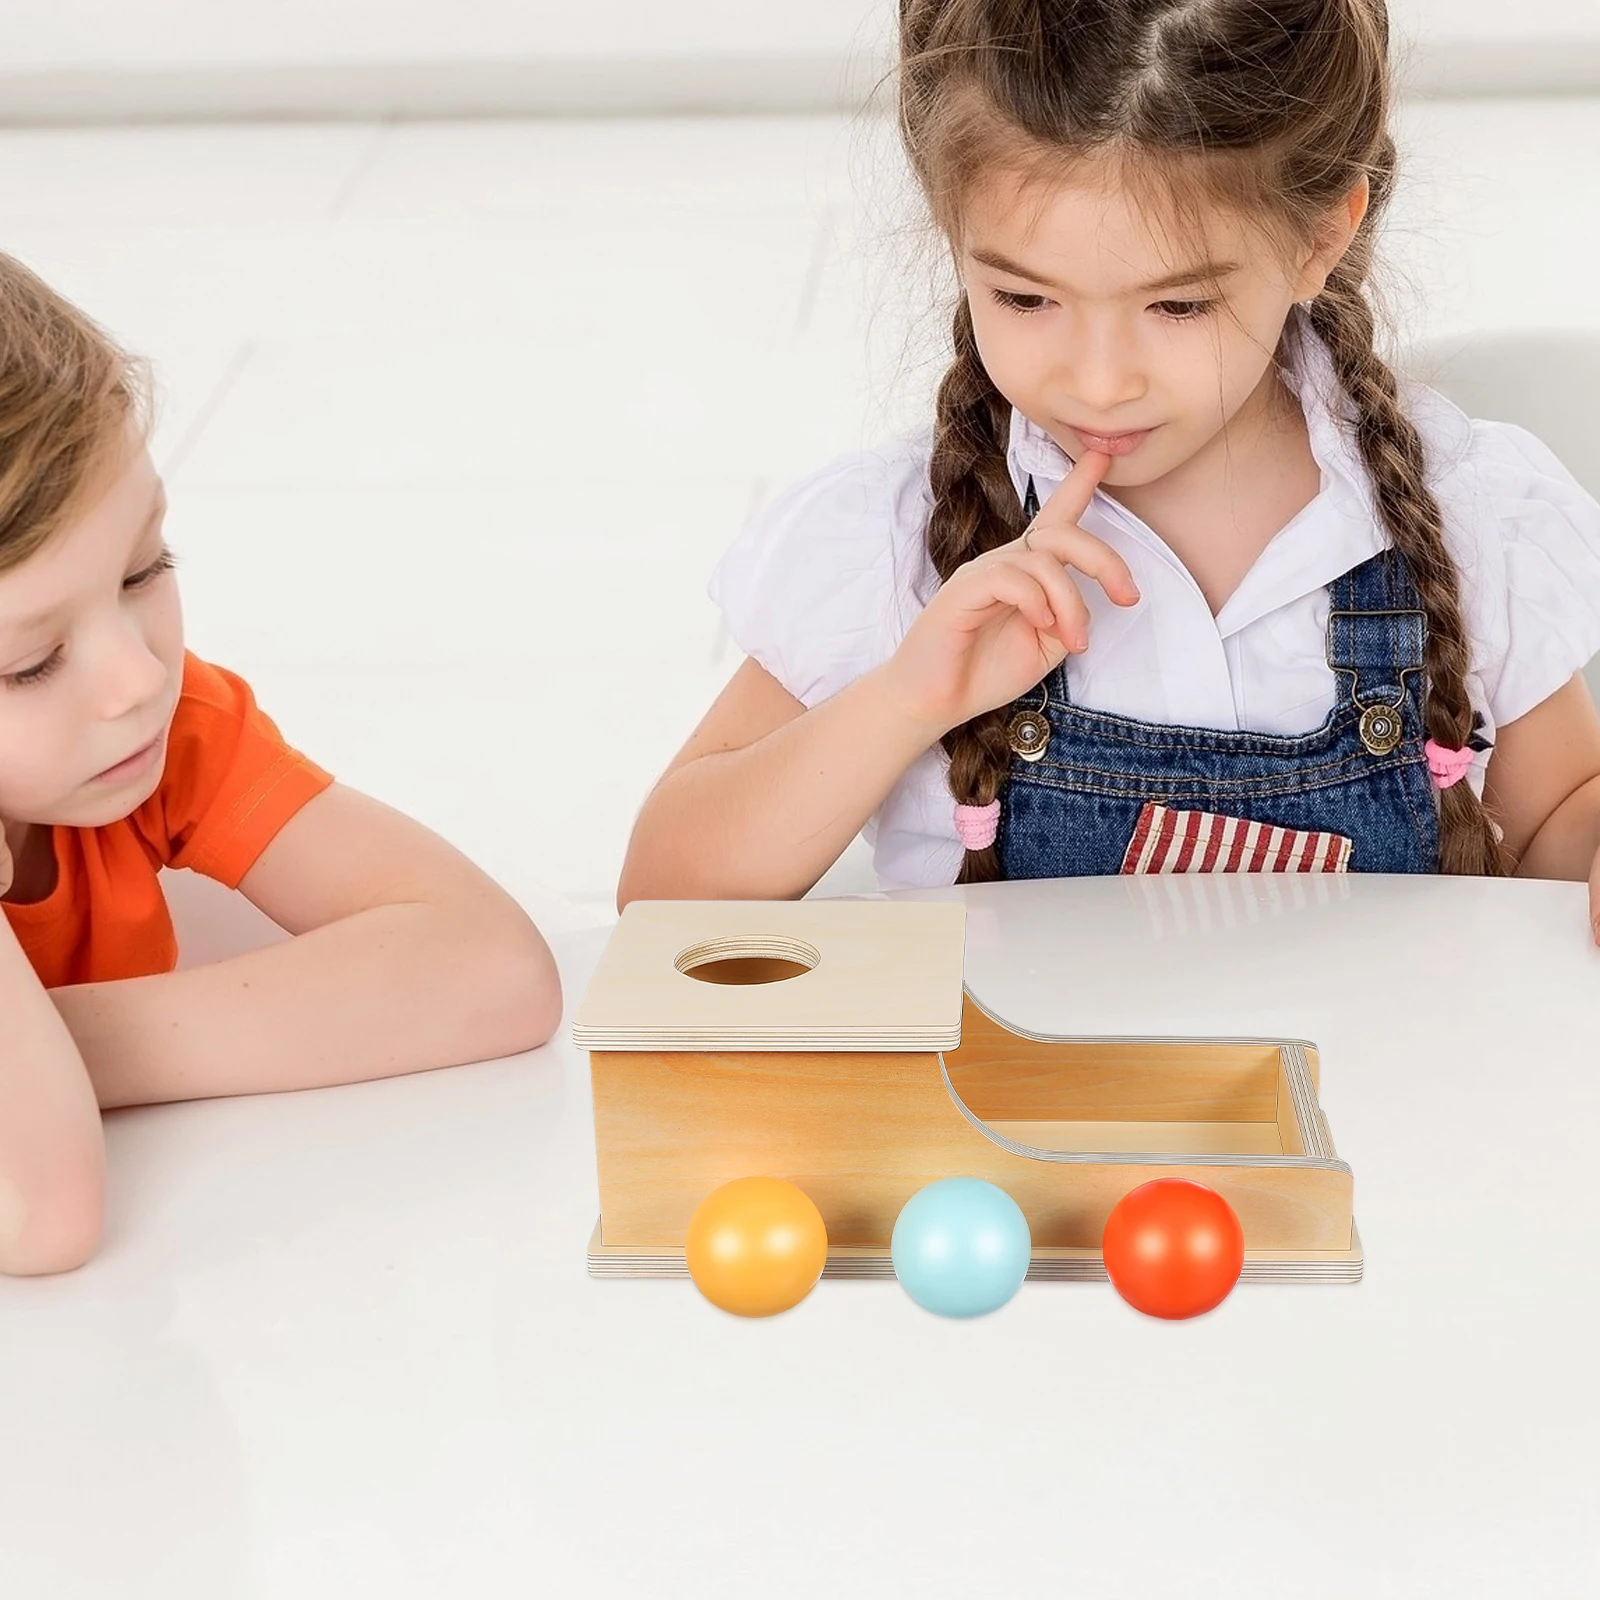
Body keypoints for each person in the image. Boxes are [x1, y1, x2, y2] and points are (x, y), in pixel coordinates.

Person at [618, 0, 1600, 939]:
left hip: (1378, 1101)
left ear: (1319, 239)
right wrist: (903, 701)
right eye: (1024, 297)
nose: (1097, 380)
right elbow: (665, 898)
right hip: (1013, 1116)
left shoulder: (1469, 515)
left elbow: (1560, 819)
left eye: (1175, 308)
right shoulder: (892, 540)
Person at [0, 255, 562, 1276]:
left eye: (142, 570)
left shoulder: (159, 740)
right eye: (29, 662)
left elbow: (494, 970)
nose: (135, 678)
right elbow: (41, 1212)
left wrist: (69, 1043)